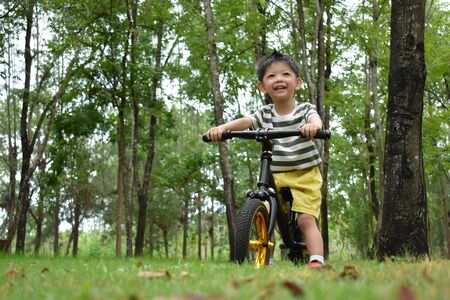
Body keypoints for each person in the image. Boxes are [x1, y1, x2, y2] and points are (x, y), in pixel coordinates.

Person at [205, 50, 325, 269]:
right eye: (271, 76)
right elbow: (245, 121)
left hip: (305, 173)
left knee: (305, 219)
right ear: (262, 86)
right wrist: (221, 129)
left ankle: (317, 260)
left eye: (285, 74)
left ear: (297, 83)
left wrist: (314, 127)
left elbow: (315, 119)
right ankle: (265, 258)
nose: (278, 79)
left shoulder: (305, 109)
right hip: (277, 174)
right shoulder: (265, 113)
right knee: (265, 208)